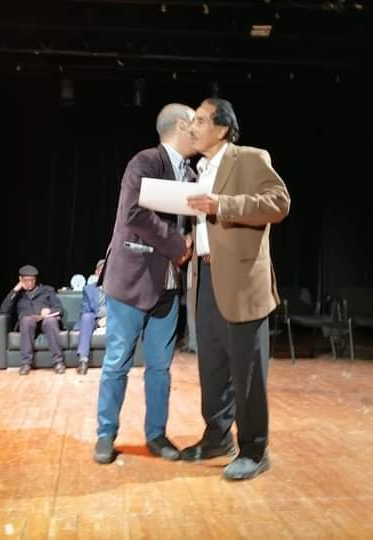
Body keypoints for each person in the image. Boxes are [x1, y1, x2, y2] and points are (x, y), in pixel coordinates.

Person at [183, 98, 291, 481]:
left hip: (243, 281)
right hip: (206, 277)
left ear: (223, 128)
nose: (192, 127)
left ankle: (255, 450)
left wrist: (223, 205)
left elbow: (279, 203)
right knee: (212, 367)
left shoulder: (249, 158)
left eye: (199, 120)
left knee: (247, 372)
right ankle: (217, 438)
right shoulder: (199, 169)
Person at [93, 103, 195, 464]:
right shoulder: (146, 162)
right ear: (181, 125)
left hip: (168, 285)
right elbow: (134, 213)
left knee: (160, 368)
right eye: (195, 123)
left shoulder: (193, 174)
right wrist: (179, 244)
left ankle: (156, 434)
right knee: (117, 362)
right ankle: (105, 434)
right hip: (131, 281)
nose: (200, 130)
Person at [0, 264, 66, 375]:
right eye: (26, 280)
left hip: (45, 321)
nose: (29, 283)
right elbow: (4, 310)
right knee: (27, 320)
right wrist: (15, 290)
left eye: (32, 280)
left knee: (51, 321)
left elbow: (59, 309)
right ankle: (26, 363)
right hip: (28, 324)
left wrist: (49, 310)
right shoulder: (17, 294)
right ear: (20, 279)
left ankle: (58, 362)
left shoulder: (47, 290)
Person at [75, 259, 107, 375]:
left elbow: (121, 309)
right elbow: (86, 310)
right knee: (86, 317)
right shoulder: (88, 289)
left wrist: (108, 319)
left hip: (112, 318)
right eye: (101, 270)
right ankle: (83, 360)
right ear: (97, 272)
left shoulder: (118, 288)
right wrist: (99, 321)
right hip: (95, 318)